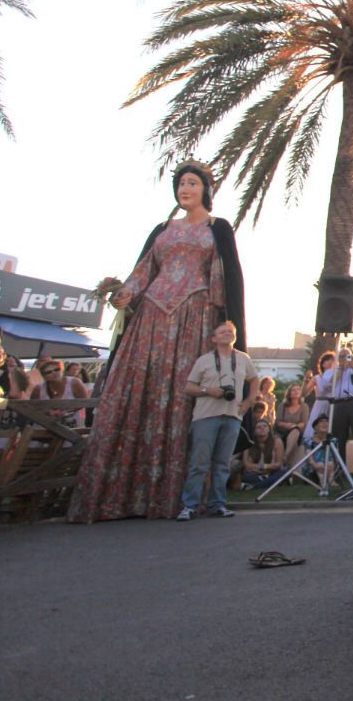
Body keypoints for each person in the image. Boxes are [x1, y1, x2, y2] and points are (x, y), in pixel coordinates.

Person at [71, 161, 246, 523]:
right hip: (151, 318)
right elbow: (143, 271)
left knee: (184, 396)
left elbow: (228, 279)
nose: (185, 189)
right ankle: (120, 494)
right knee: (137, 392)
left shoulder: (218, 228)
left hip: (194, 319)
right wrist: (123, 294)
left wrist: (226, 328)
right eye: (181, 183)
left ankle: (178, 496)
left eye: (193, 183)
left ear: (205, 190)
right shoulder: (162, 229)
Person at [176, 321, 256, 520]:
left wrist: (248, 402)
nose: (228, 333)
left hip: (232, 417)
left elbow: (254, 380)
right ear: (214, 338)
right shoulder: (204, 360)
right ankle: (189, 506)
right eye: (223, 331)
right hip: (206, 417)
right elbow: (188, 387)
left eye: (231, 331)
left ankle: (217, 504)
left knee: (222, 464)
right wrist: (208, 391)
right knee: (199, 463)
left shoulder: (244, 358)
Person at [324, 348, 353, 473]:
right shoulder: (332, 371)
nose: (344, 358)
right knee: (339, 437)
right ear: (337, 358)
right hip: (339, 404)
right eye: (341, 356)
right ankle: (340, 469)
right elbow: (331, 384)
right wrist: (342, 368)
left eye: (347, 356)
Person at [28, 359, 89, 428]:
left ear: (62, 370)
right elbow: (33, 407)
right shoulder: (38, 388)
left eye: (57, 369)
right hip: (46, 426)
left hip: (71, 425)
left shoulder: (74, 382)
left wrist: (65, 412)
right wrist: (48, 413)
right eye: (48, 372)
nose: (54, 373)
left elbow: (84, 402)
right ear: (44, 376)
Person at [241, 420, 285, 490]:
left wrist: (264, 467)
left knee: (284, 473)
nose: (262, 428)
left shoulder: (277, 441)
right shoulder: (249, 442)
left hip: (272, 472)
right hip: (255, 473)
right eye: (258, 427)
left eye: (265, 426)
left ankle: (253, 486)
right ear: (254, 431)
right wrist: (260, 469)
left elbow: (278, 464)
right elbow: (246, 464)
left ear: (269, 429)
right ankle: (271, 481)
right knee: (246, 476)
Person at [274, 383, 307, 465]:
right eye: (293, 390)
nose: (296, 391)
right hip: (282, 431)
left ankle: (286, 455)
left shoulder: (304, 406)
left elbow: (303, 422)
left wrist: (295, 426)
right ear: (289, 393)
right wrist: (287, 425)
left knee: (295, 431)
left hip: (296, 431)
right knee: (277, 439)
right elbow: (277, 421)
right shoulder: (283, 405)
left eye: (298, 389)